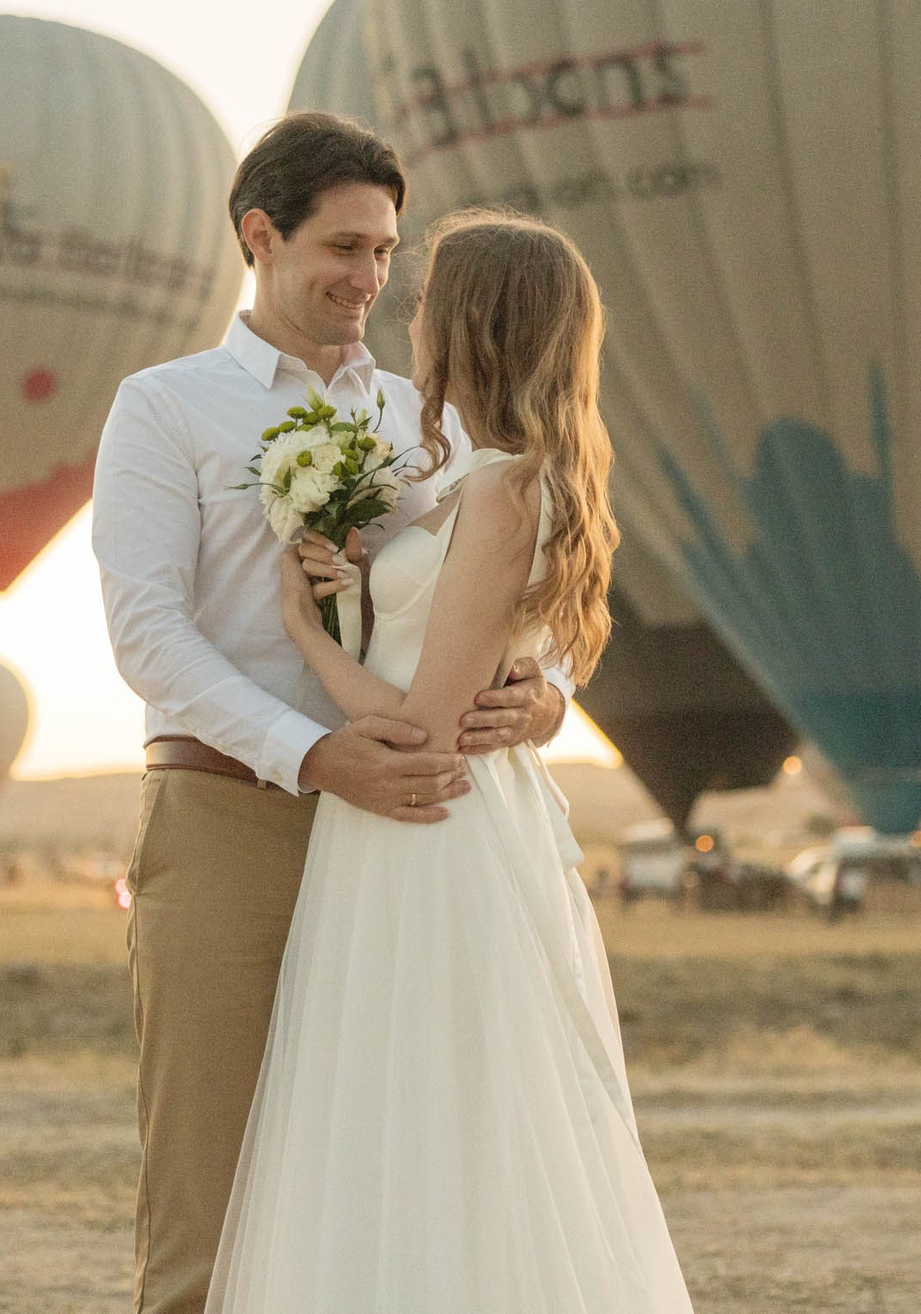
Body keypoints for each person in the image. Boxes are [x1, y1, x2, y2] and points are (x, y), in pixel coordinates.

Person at [92, 115, 570, 1314]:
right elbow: (146, 631)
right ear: (261, 235)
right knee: (209, 1194)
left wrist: (547, 693)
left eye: (387, 253)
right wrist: (313, 754)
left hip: (416, 839)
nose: (368, 278)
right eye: (343, 247)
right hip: (228, 817)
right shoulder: (165, 408)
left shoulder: (435, 416)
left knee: (402, 1181)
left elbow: (520, 584)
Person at [207, 208, 689, 1313]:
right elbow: (499, 656)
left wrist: (304, 636)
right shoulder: (470, 476)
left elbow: (422, 729)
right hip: (428, 823)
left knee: (433, 1110)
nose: (407, 316)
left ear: (467, 322)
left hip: (432, 822)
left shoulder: (502, 489)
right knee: (416, 1109)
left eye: (426, 300)